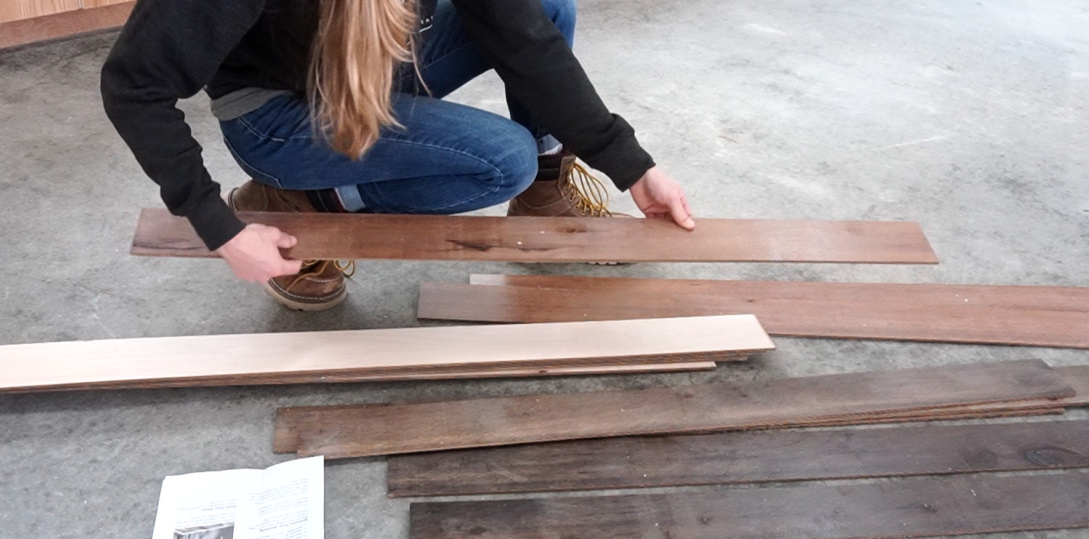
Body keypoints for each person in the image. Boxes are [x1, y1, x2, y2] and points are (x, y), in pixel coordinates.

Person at [101, 0, 695, 310]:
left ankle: (544, 197)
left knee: (548, 7)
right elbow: (133, 87)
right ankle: (301, 196)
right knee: (499, 162)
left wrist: (632, 164)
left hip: (371, 57)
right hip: (278, 113)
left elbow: (526, 39)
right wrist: (219, 227)